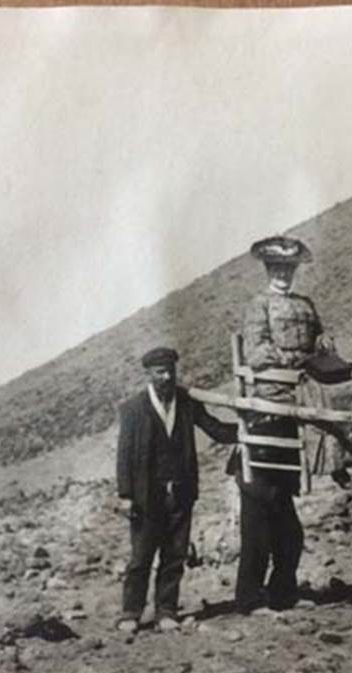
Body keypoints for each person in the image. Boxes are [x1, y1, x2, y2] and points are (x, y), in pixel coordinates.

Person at [234, 236, 328, 613]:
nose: (283, 275)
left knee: (289, 526)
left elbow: (321, 343)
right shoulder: (258, 307)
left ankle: (283, 592)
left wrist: (319, 351)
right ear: (267, 270)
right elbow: (257, 354)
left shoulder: (306, 305)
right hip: (267, 412)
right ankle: (248, 597)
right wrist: (298, 359)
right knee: (257, 521)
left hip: (298, 411)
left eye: (288, 269)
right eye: (277, 269)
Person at [115, 346, 236, 633]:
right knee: (141, 557)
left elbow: (214, 428)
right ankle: (131, 613)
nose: (167, 377)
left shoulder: (186, 402)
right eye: (160, 372)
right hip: (147, 496)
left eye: (170, 371)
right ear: (149, 373)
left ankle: (166, 611)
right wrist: (125, 495)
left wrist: (248, 429)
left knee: (174, 555)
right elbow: (124, 454)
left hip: (181, 493)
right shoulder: (133, 409)